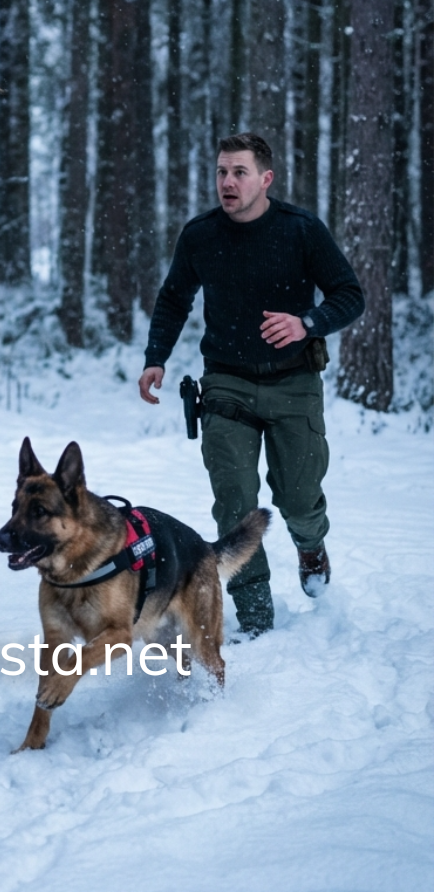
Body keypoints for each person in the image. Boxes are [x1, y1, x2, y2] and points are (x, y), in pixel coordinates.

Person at [138, 132, 364, 636]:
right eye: (222, 172)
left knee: (299, 496)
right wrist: (156, 358)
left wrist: (307, 322)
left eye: (239, 172)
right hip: (226, 384)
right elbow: (174, 298)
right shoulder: (200, 235)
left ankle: (311, 545)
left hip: (294, 382)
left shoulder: (301, 230)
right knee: (234, 503)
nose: (228, 182)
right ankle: (256, 616)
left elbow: (350, 295)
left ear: (266, 179)